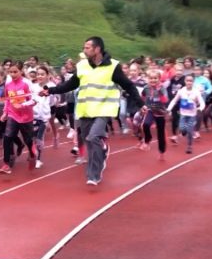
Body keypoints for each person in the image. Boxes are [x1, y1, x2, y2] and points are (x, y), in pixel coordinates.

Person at [41, 36, 143, 186]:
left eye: (87, 47)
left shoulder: (113, 66)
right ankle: (102, 151)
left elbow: (129, 85)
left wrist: (140, 103)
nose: (84, 50)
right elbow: (70, 85)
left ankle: (94, 175)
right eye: (84, 47)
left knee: (93, 137)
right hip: (85, 110)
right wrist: (50, 90)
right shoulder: (82, 66)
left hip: (104, 110)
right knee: (90, 142)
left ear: (97, 49)